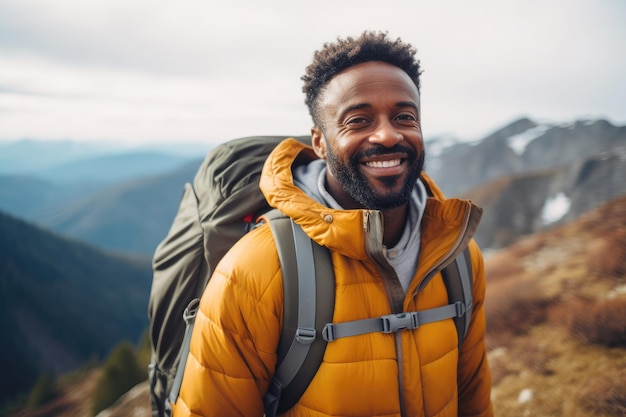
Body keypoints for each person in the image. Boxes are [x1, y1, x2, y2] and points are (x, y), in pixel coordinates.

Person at [172, 30, 493, 417]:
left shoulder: (457, 256)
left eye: (404, 116)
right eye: (358, 120)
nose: (388, 134)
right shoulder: (256, 270)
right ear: (320, 142)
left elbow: (473, 397)